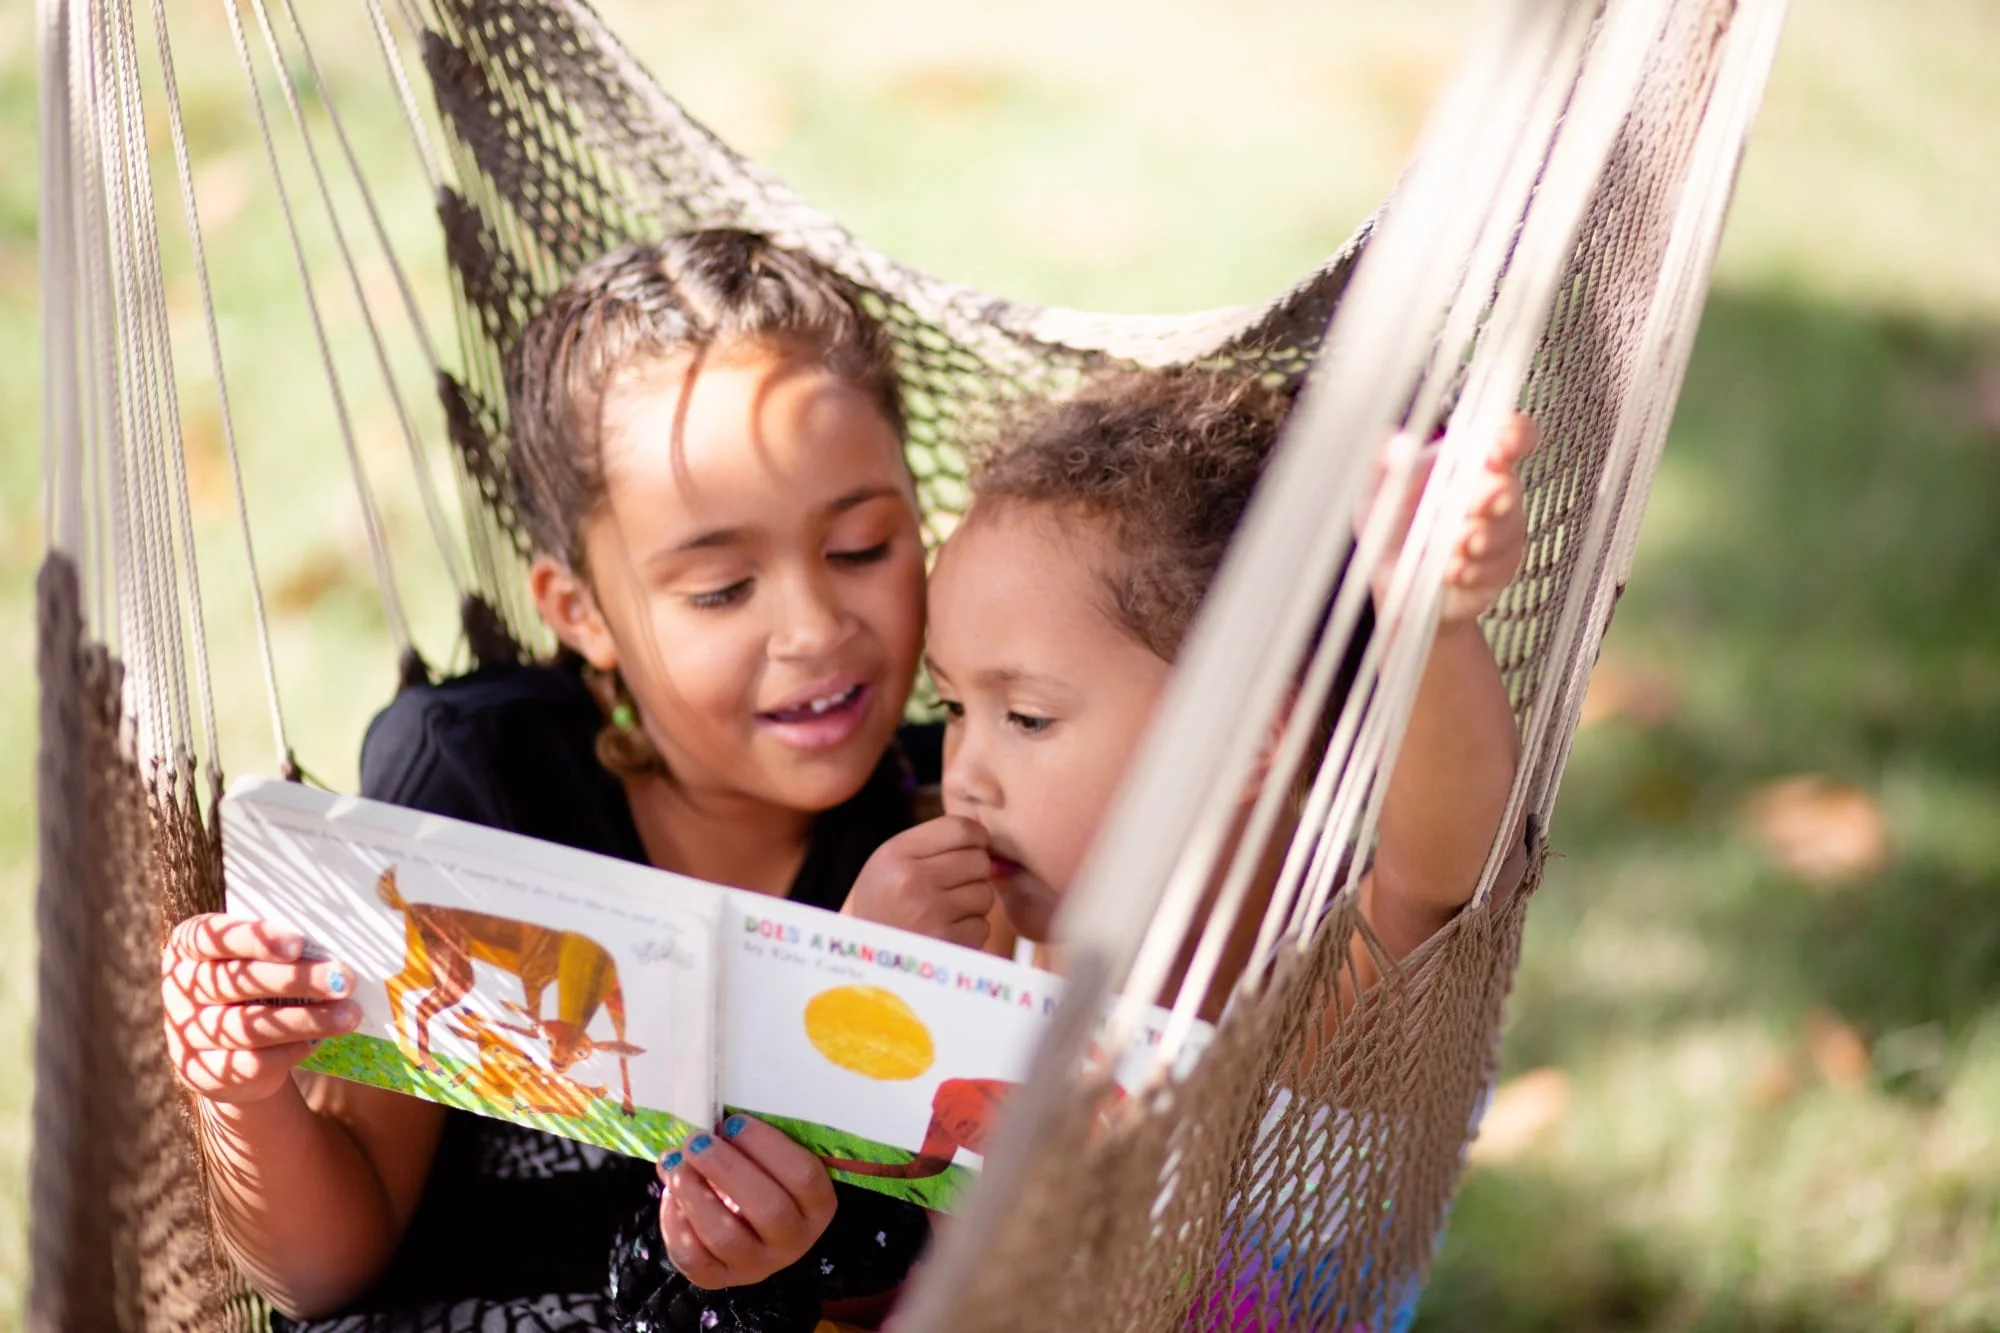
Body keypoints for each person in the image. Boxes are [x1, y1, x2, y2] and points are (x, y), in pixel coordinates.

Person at [160, 230, 959, 1332]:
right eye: (723, 589)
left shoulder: (939, 827)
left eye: (863, 547)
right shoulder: (474, 783)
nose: (816, 628)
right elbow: (321, 1273)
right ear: (579, 612)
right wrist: (245, 1097)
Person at [850, 365, 1533, 1020]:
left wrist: (1430, 624)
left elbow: (1449, 862)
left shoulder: (1327, 988)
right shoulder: (980, 931)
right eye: (954, 708)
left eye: (1028, 719)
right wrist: (866, 968)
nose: (963, 777)